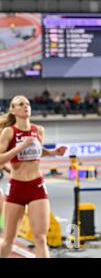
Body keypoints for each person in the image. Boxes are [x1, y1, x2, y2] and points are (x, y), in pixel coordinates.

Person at [0, 95, 66, 258]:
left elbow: (37, 149)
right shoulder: (9, 132)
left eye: (27, 103)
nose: (25, 106)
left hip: (37, 186)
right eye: (20, 104)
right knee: (9, 239)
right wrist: (20, 146)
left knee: (41, 239)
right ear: (13, 110)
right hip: (16, 187)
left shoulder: (38, 130)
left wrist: (52, 152)